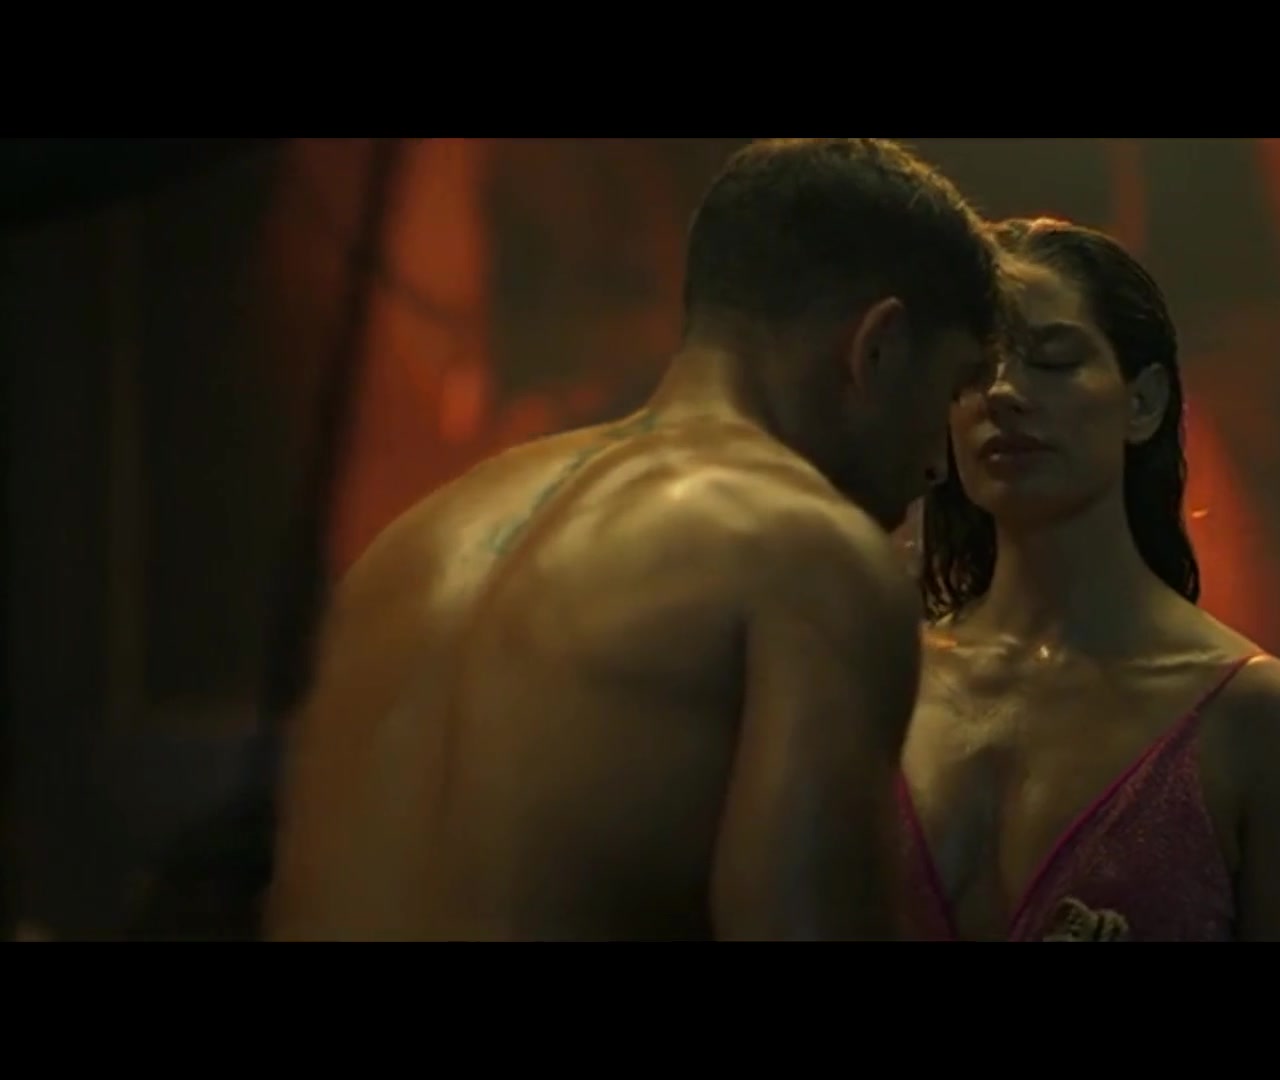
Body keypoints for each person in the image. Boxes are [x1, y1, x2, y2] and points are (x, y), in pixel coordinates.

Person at [264, 139, 1004, 941]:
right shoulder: (812, 556)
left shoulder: (411, 546)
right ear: (879, 347)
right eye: (953, 390)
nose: (939, 464)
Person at [899, 218, 1280, 942]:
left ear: (1143, 402)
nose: (1004, 391)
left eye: (1053, 359)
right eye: (975, 368)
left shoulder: (1259, 718)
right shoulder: (886, 687)